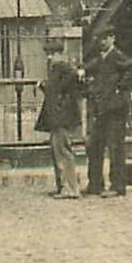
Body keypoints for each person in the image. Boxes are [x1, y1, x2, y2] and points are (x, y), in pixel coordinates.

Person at [82, 26, 132, 198]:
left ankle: (117, 186)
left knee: (115, 147)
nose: (101, 42)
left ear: (112, 39)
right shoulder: (101, 58)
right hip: (101, 109)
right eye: (99, 39)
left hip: (115, 110)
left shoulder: (117, 56)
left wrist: (120, 87)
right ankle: (95, 184)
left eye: (104, 38)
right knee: (95, 146)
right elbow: (89, 67)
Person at [37, 38, 83, 199]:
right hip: (59, 114)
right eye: (48, 54)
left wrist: (47, 86)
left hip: (61, 115)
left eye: (52, 53)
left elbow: (60, 86)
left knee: (63, 150)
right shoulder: (58, 68)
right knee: (58, 149)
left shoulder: (62, 67)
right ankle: (63, 186)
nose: (49, 57)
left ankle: (70, 188)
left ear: (59, 53)